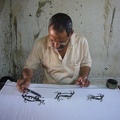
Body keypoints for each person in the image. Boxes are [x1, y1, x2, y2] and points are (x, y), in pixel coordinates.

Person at [17, 13, 92, 92]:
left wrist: (83, 77)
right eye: (52, 40)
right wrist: (26, 78)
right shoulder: (40, 44)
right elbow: (29, 67)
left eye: (61, 42)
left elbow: (86, 64)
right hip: (49, 89)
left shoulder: (81, 42)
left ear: (71, 33)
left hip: (74, 88)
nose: (56, 45)